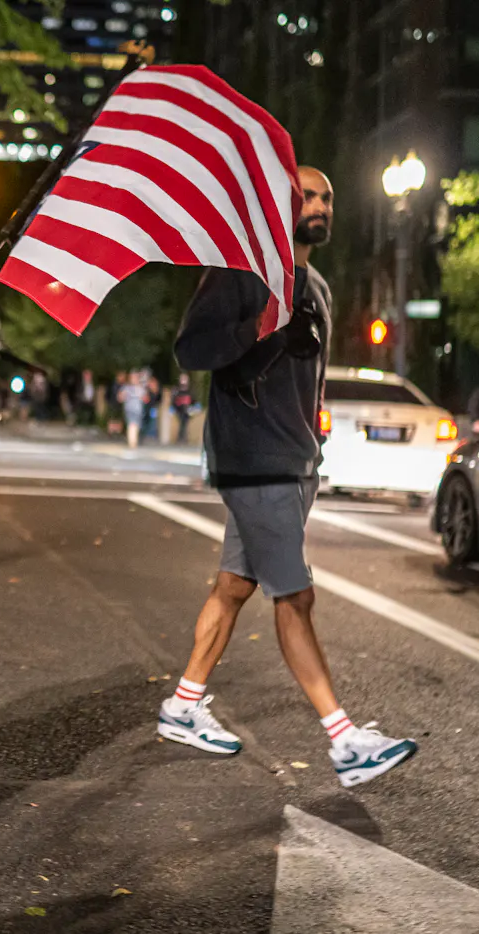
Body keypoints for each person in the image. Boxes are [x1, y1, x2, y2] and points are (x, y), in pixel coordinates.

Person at [159, 166, 416, 788]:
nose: (319, 204)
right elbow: (192, 352)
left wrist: (316, 438)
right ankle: (345, 740)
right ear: (277, 203)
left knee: (233, 587)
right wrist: (262, 328)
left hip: (297, 459)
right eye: (306, 194)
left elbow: (312, 379)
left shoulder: (318, 287)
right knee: (294, 598)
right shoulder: (241, 271)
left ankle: (184, 705)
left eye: (327, 195)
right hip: (253, 459)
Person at [119, 371, 149, 449]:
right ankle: (132, 443)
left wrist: (143, 397)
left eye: (136, 377)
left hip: (138, 410)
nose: (134, 379)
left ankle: (133, 441)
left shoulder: (141, 388)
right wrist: (123, 396)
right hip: (129, 409)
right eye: (132, 377)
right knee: (132, 425)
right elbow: (120, 398)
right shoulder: (126, 387)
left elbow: (146, 399)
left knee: (136, 426)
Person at [172, 374, 196, 444]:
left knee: (185, 423)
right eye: (182, 379)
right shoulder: (176, 390)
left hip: (187, 411)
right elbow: (173, 401)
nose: (184, 381)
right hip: (179, 410)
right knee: (182, 423)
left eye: (185, 379)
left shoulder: (190, 391)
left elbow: (194, 401)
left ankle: (183, 438)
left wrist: (193, 408)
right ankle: (180, 438)